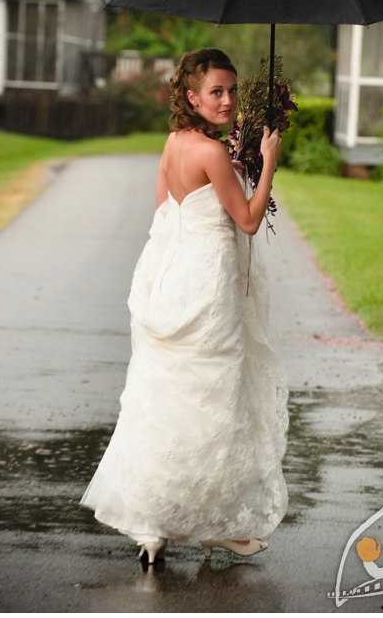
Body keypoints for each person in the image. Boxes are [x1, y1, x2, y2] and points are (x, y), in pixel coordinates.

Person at [80, 48, 288, 564]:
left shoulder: (176, 143)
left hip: (174, 279)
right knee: (218, 403)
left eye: (233, 90)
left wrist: (235, 166)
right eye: (216, 92)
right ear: (192, 97)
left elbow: (165, 210)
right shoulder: (213, 154)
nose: (228, 100)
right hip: (209, 291)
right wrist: (267, 168)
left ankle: (153, 526)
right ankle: (218, 523)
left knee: (170, 403)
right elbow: (246, 221)